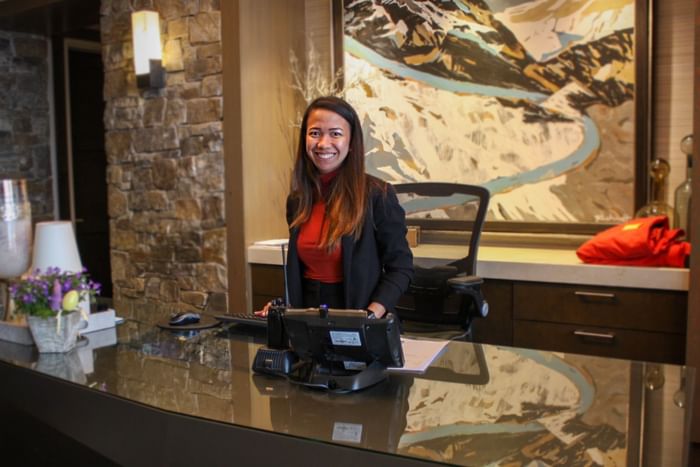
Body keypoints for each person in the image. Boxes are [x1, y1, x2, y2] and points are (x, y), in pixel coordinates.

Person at [256, 96, 413, 318]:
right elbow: (303, 276)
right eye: (315, 133)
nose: (323, 143)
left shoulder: (377, 195)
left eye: (335, 133)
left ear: (351, 143)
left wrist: (370, 315)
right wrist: (284, 306)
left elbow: (401, 268)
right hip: (310, 324)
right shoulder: (298, 200)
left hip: (362, 322)